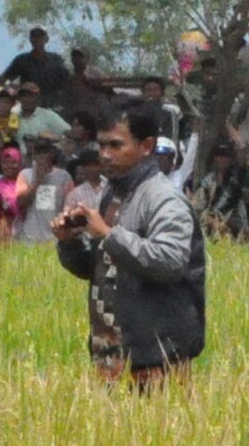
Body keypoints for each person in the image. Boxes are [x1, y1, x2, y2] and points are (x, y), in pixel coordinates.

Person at [55, 102, 205, 386]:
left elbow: (170, 262)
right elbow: (101, 268)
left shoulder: (164, 199)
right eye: (101, 145)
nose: (105, 155)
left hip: (157, 354)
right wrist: (70, 243)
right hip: (112, 354)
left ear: (146, 145)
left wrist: (107, 234)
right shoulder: (113, 194)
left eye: (116, 145)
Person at [3, 28, 74, 99]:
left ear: (46, 39)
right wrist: (13, 91)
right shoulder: (21, 60)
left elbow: (68, 80)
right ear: (30, 40)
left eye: (40, 37)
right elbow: (5, 79)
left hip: (54, 106)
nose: (37, 40)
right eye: (34, 37)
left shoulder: (56, 59)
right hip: (31, 106)